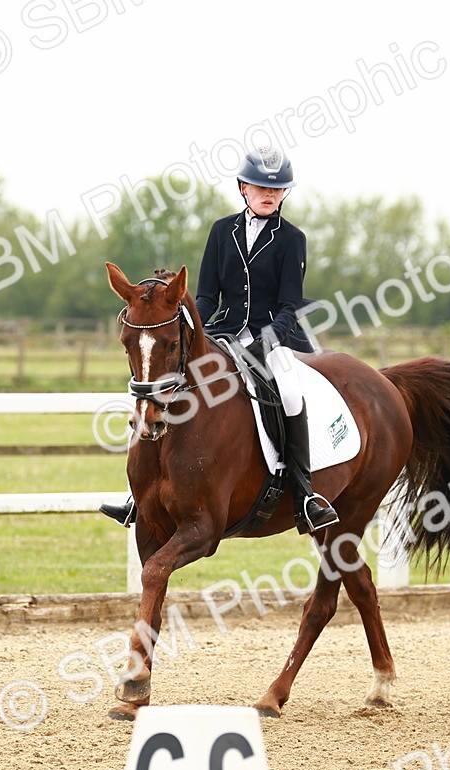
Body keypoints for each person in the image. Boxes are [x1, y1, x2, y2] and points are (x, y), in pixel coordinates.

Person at [100, 147, 339, 533]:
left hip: (275, 337)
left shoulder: (292, 238)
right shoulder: (221, 230)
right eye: (261, 186)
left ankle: (305, 492)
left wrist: (267, 340)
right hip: (224, 332)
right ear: (244, 188)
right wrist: (196, 331)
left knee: (291, 394)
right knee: (167, 388)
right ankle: (138, 495)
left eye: (277, 190)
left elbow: (289, 303)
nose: (269, 194)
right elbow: (208, 296)